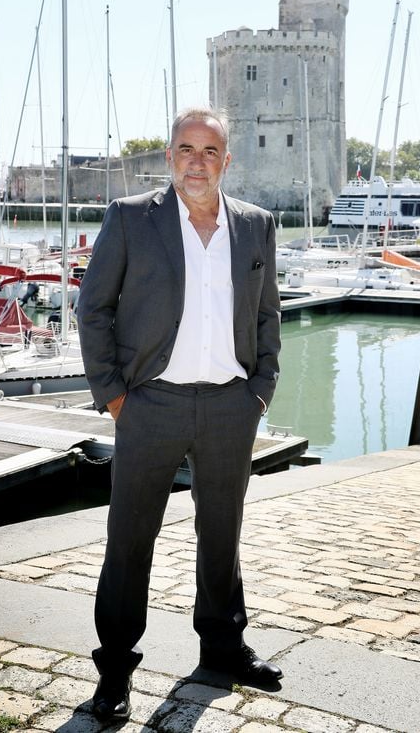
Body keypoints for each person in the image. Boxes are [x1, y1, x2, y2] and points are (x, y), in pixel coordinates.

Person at [77, 106, 282, 722]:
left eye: (210, 151)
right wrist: (114, 395)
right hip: (151, 404)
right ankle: (114, 669)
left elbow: (268, 312)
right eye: (186, 150)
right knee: (130, 539)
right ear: (169, 157)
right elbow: (94, 310)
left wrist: (260, 389)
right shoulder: (131, 218)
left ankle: (222, 646)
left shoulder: (256, 225)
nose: (197, 161)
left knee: (222, 535)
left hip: (229, 404)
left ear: (226, 160)